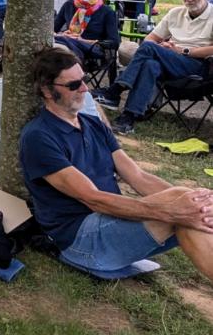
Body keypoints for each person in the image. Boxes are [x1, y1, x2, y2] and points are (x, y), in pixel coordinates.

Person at [20, 46, 213, 281]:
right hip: (80, 239)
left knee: (191, 204)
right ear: (47, 91)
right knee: (182, 209)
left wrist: (198, 201)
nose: (85, 89)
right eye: (73, 85)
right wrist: (171, 211)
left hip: (109, 222)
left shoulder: (94, 125)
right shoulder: (39, 136)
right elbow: (93, 198)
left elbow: (138, 177)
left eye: (84, 80)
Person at [95, 0, 213, 135]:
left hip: (196, 66)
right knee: (151, 65)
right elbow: (150, 38)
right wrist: (162, 47)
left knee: (150, 49)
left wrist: (183, 51)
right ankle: (128, 118)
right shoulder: (175, 13)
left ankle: (115, 91)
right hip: (170, 61)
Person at [53, 0, 119, 62]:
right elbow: (52, 29)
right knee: (58, 44)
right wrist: (62, 34)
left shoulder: (107, 11)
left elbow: (114, 42)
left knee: (62, 46)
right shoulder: (68, 5)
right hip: (67, 44)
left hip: (92, 49)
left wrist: (83, 41)